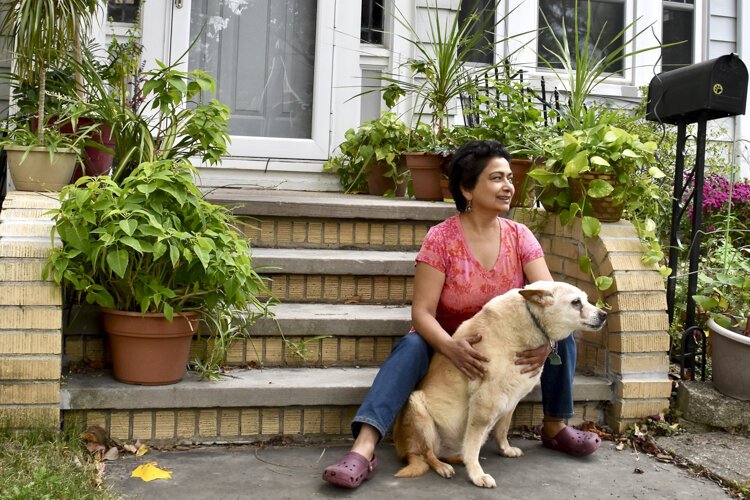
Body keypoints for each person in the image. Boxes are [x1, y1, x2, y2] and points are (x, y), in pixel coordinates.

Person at [322, 140, 601, 489]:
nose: (508, 186)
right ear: (468, 188)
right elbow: (422, 312)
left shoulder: (520, 236)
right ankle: (363, 449)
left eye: (510, 178)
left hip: (505, 338)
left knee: (564, 336)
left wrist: (547, 345)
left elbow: (551, 296)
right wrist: (451, 347)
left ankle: (555, 426)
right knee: (409, 348)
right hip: (445, 337)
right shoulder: (441, 239)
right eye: (496, 178)